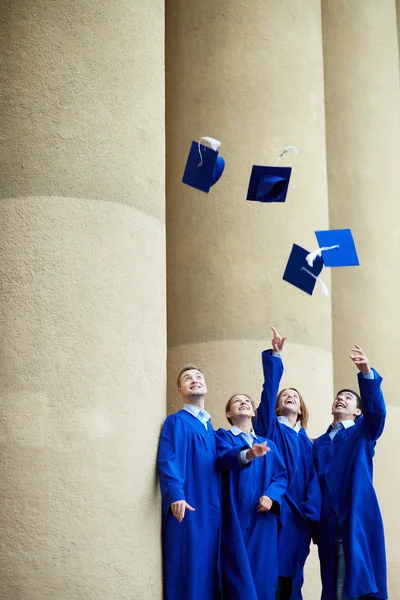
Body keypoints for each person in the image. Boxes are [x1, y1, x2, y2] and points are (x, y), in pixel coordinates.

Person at [313, 345, 387, 600]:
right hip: (327, 524)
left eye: (348, 397)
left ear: (358, 411)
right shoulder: (318, 443)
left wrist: (366, 373)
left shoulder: (362, 433)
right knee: (332, 586)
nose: (340, 398)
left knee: (352, 584)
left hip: (354, 516)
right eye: (338, 396)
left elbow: (377, 413)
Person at [254, 327, 321, 600]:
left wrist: (311, 513)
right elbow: (269, 393)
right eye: (285, 396)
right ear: (278, 407)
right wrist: (276, 357)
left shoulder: (309, 443)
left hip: (299, 517)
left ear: (302, 408)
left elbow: (316, 479)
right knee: (270, 575)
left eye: (294, 395)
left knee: (293, 577)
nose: (289, 396)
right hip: (273, 510)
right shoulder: (271, 429)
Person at [157, 365, 221, 600]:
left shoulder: (210, 428)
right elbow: (169, 458)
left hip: (211, 512)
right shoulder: (178, 421)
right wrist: (176, 494)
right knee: (188, 571)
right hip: (187, 508)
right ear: (179, 391)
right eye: (187, 378)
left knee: (207, 573)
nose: (194, 380)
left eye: (199, 377)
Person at [215, 393, 287, 600]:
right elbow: (222, 460)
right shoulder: (223, 437)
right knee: (236, 575)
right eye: (237, 401)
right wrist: (248, 454)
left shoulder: (268, 444)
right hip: (235, 515)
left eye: (247, 401)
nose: (243, 403)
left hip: (262, 518)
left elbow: (280, 477)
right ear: (229, 413)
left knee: (263, 576)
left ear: (254, 412)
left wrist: (271, 496)